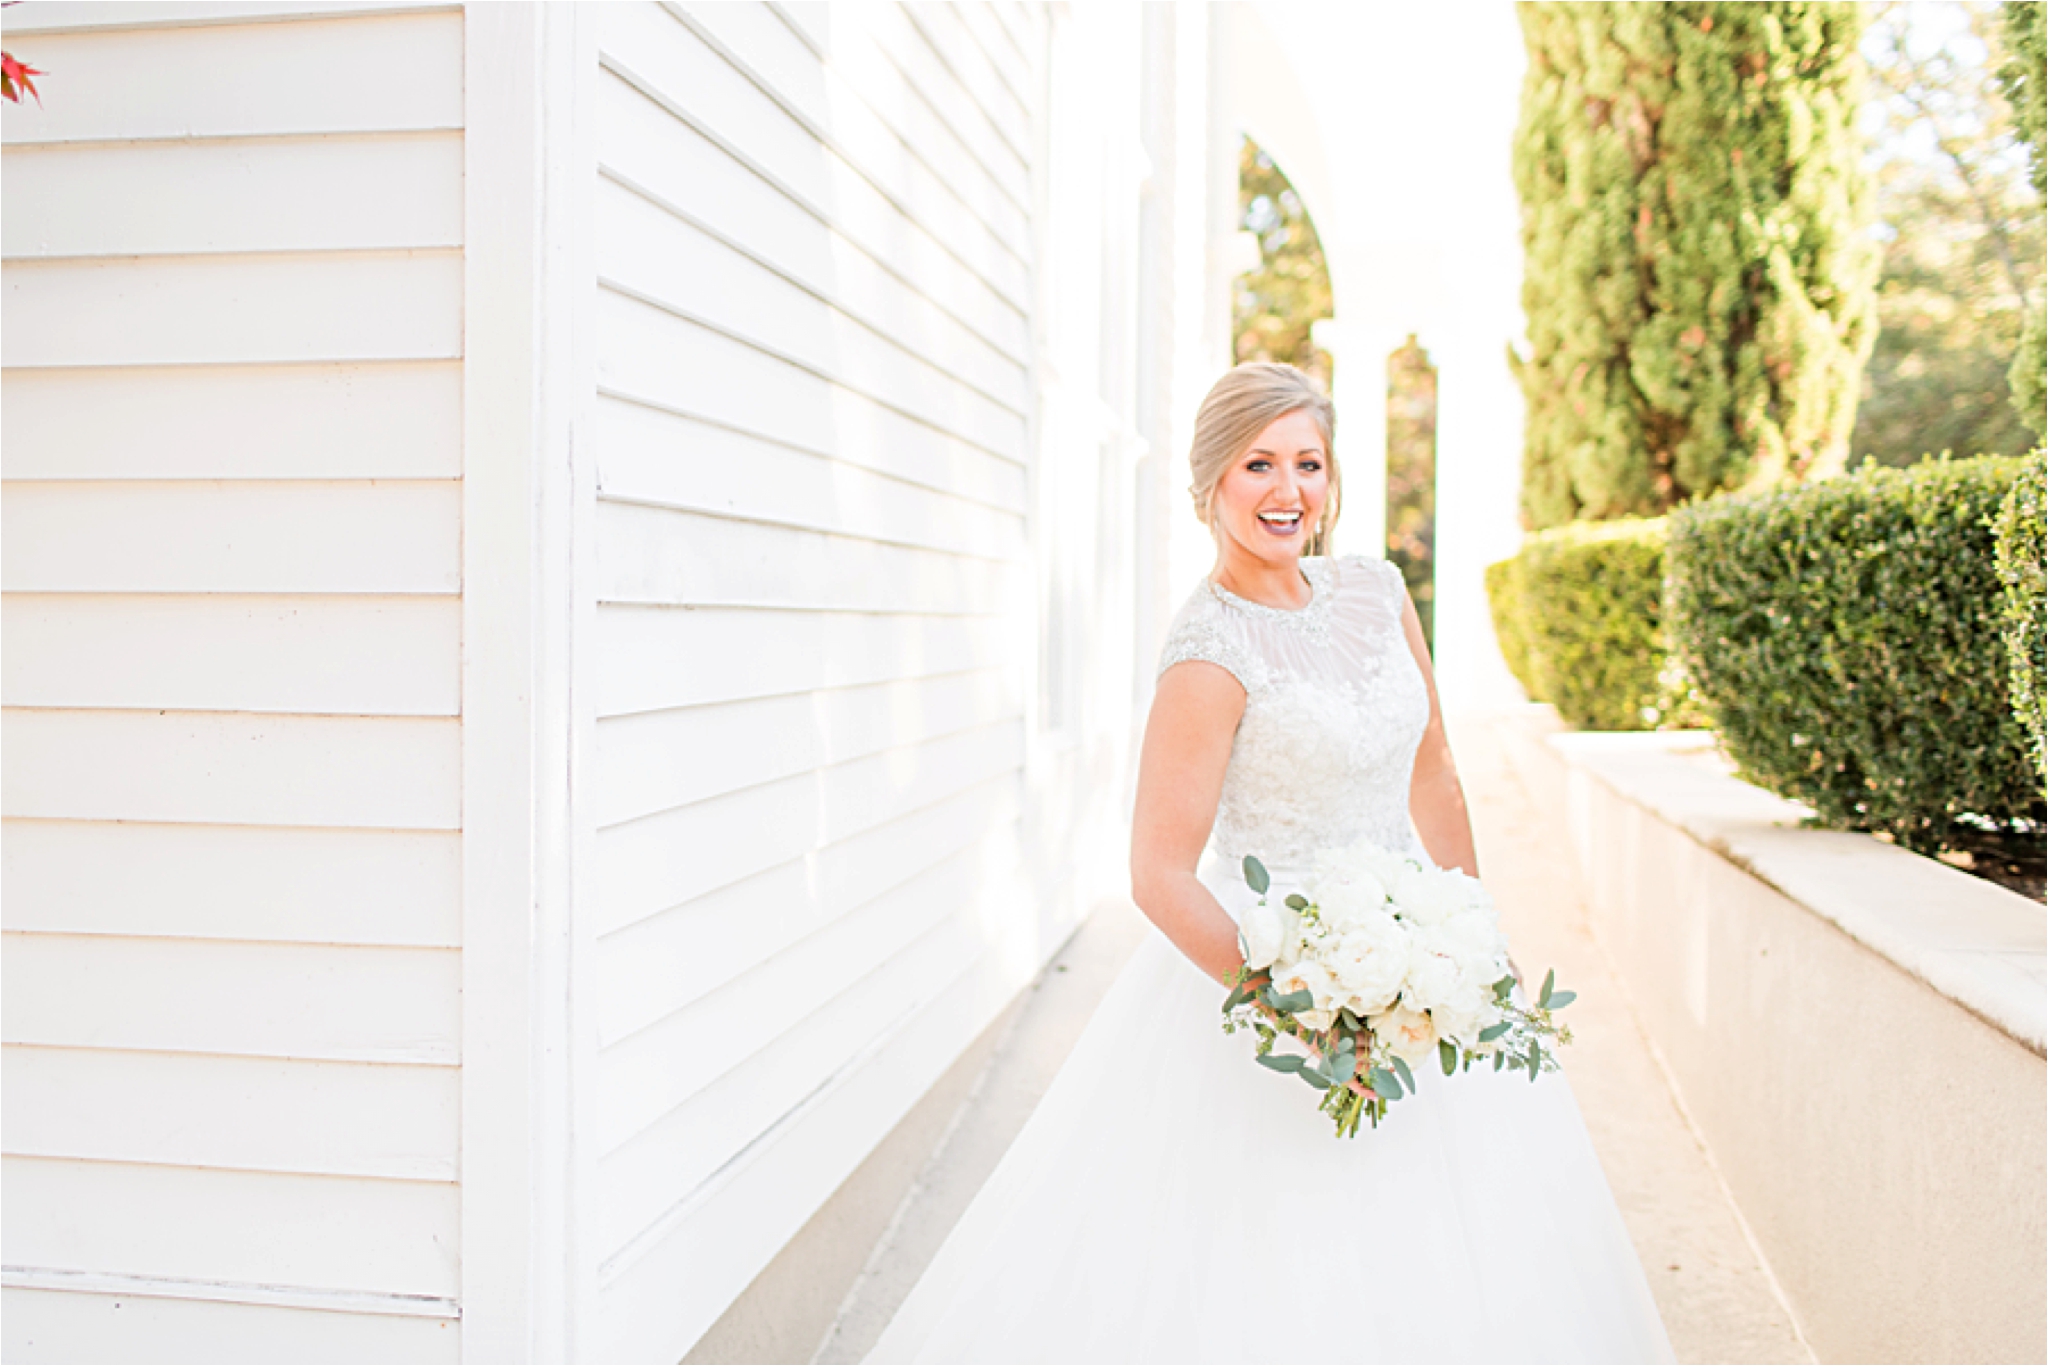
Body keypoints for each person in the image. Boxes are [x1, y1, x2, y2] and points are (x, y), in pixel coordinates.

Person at [867, 363, 1674, 1364]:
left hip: (1426, 973)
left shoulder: (1378, 595)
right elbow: (1157, 873)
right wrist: (1298, 1002)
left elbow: (1432, 775)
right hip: (1280, 988)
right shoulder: (1208, 654)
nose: (1286, 491)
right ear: (1210, 482)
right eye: (1257, 464)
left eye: (1307, 462)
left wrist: (1474, 936)